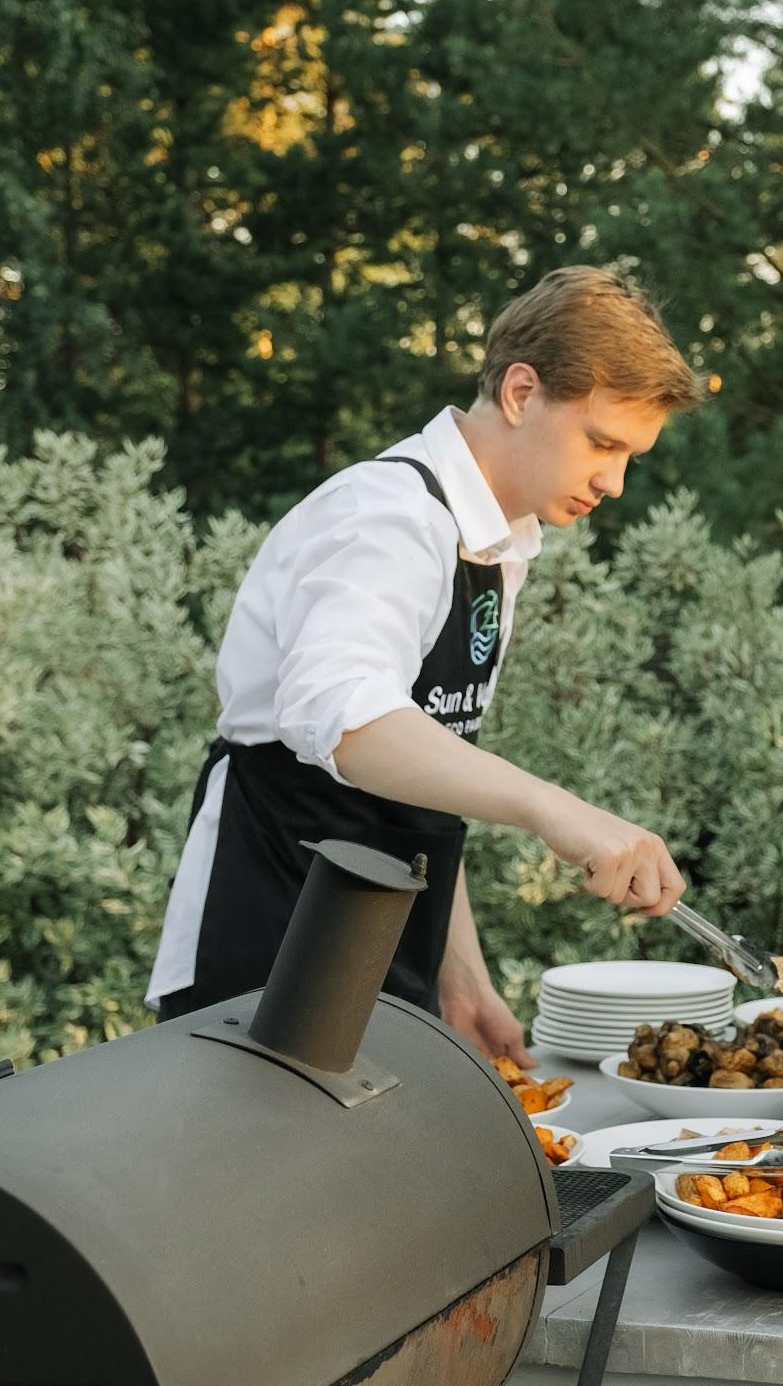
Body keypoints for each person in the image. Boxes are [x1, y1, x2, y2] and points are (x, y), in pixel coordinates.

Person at [148, 266, 705, 1067]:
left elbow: (426, 767)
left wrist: (463, 977)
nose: (614, 481)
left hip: (384, 949)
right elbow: (348, 720)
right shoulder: (389, 514)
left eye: (630, 457)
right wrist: (554, 808)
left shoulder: (499, 541)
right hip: (269, 939)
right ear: (521, 392)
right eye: (602, 442)